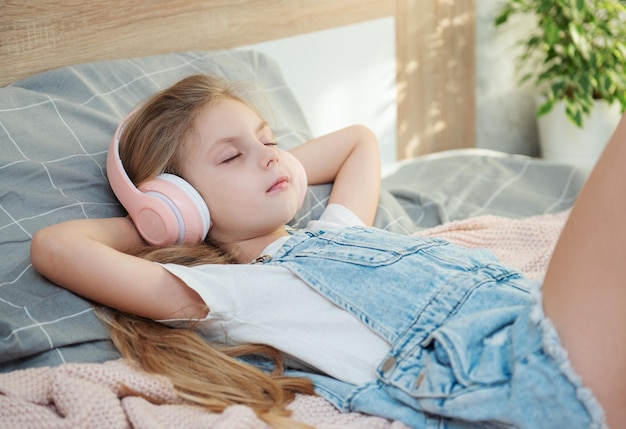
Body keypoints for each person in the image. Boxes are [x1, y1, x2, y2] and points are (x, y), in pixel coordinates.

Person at [30, 74, 625, 429]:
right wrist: (171, 223)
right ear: (181, 202)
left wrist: (268, 163)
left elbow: (357, 144)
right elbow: (55, 246)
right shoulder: (240, 293)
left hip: (527, 322)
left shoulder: (337, 230)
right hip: (518, 375)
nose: (269, 156)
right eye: (232, 156)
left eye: (270, 141)